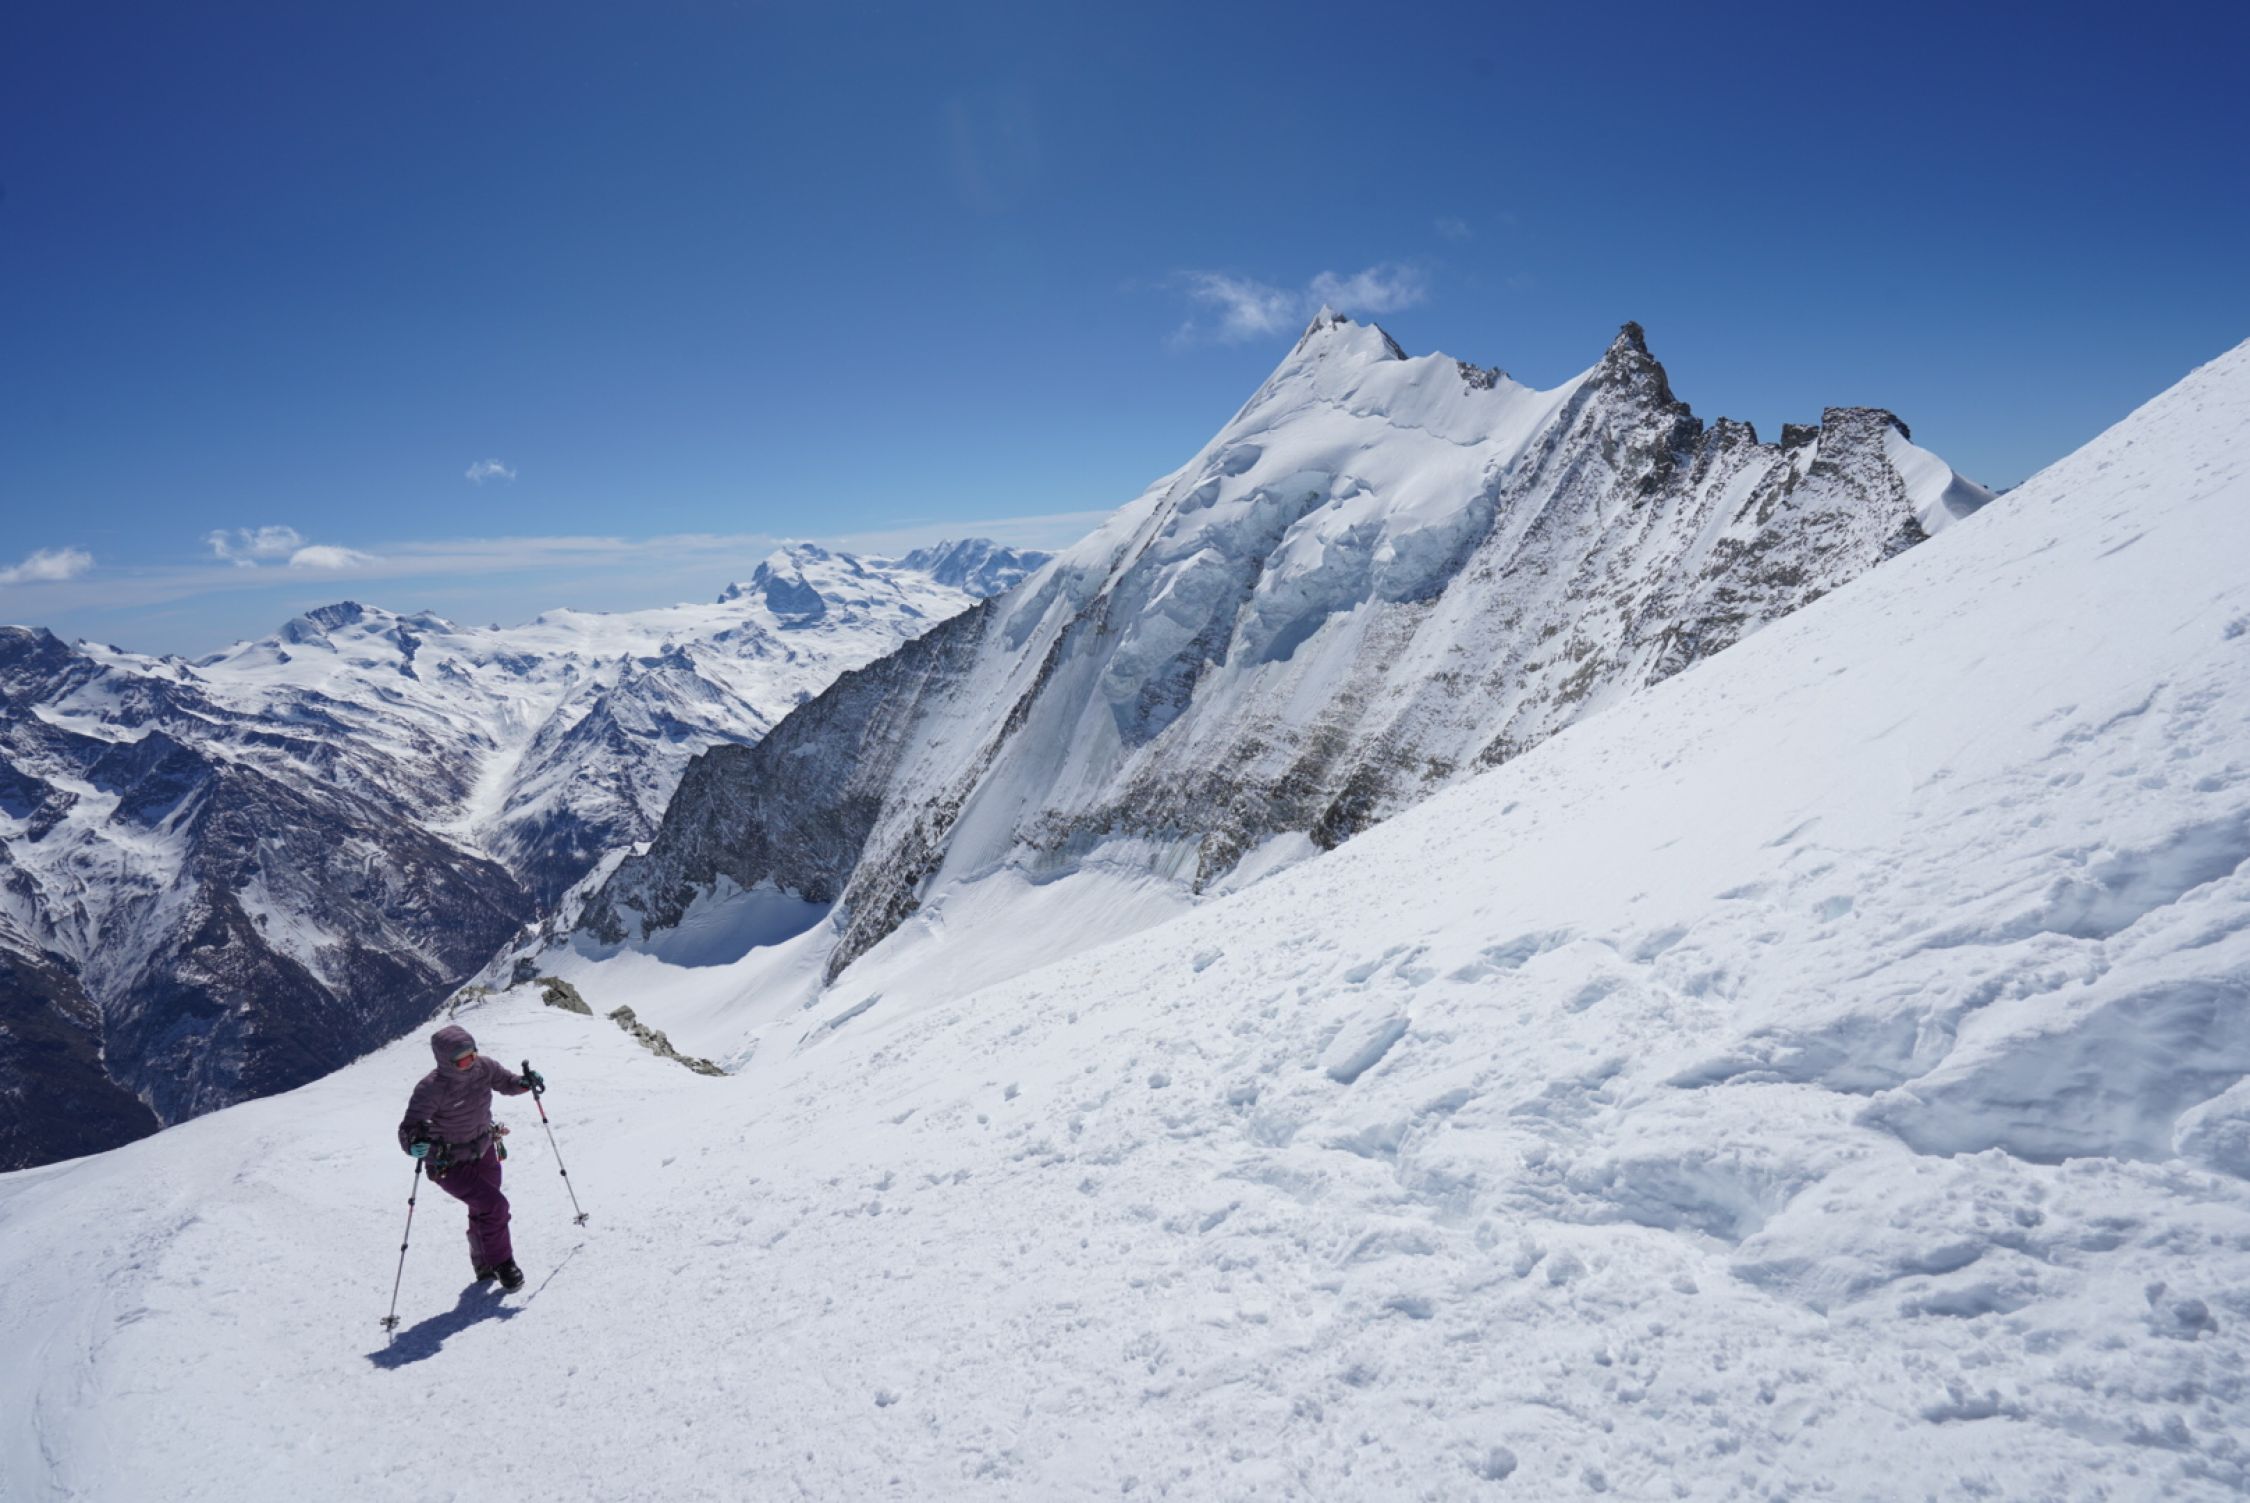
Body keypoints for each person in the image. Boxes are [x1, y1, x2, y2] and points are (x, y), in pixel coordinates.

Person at [397, 1023, 544, 1292]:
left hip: (484, 1149)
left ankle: (484, 1264)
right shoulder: (431, 1089)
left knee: (483, 1209)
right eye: (463, 1059)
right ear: (446, 1061)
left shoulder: (484, 1067)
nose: (471, 1061)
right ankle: (503, 1263)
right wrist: (412, 1144)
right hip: (448, 1163)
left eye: (473, 1054)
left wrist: (523, 1084)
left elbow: (506, 1082)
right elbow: (410, 1126)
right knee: (495, 1206)